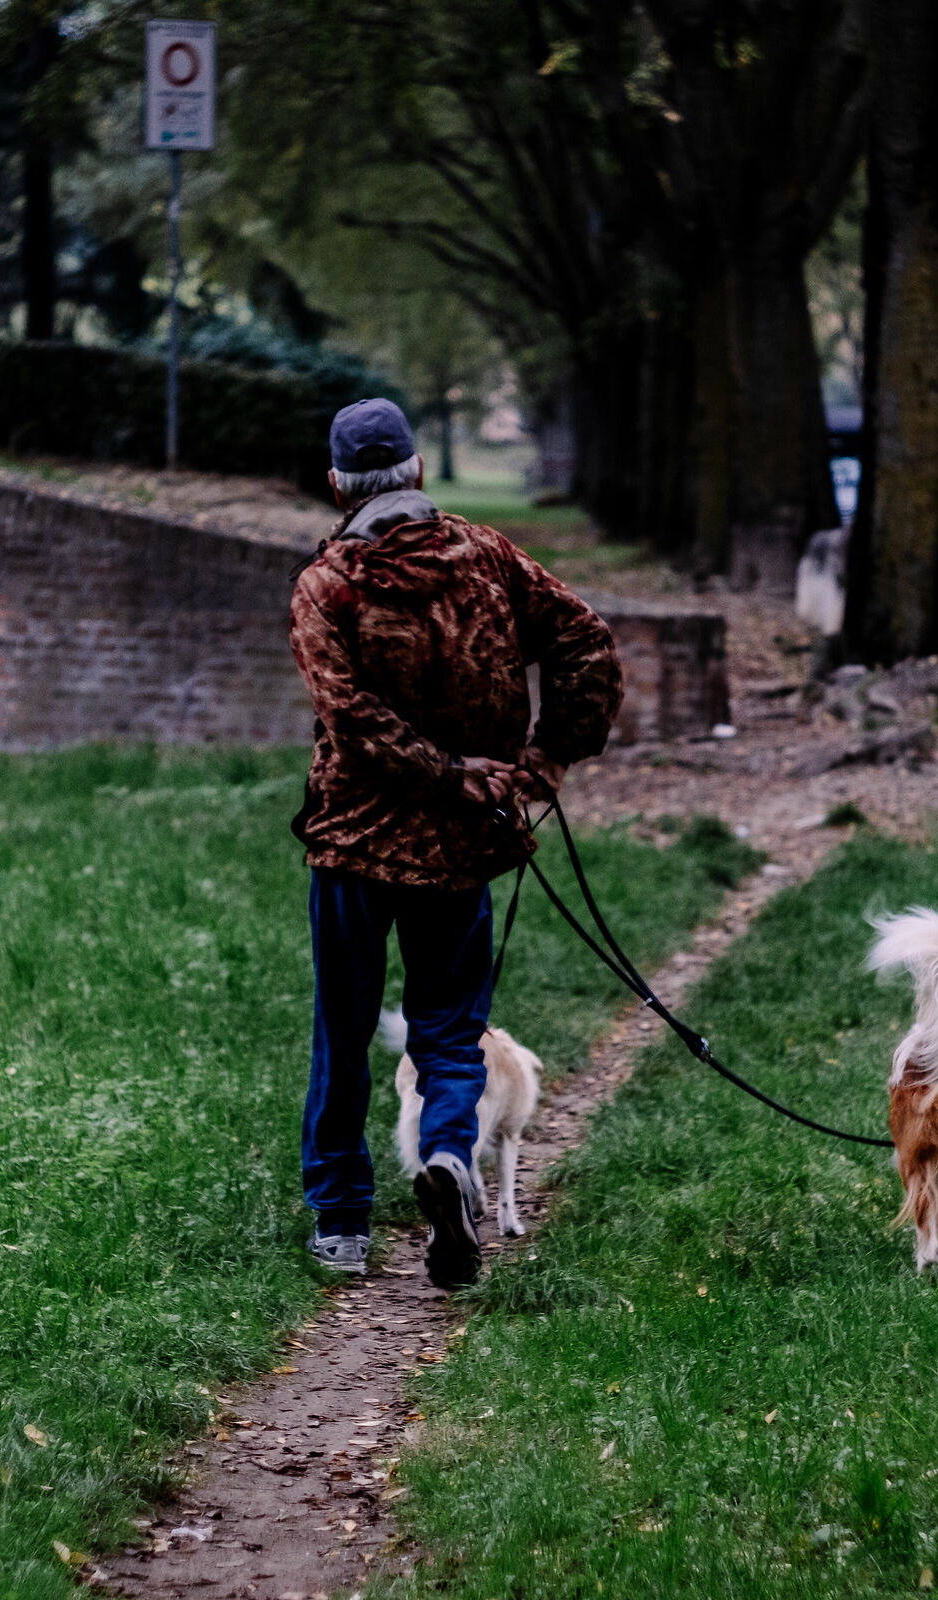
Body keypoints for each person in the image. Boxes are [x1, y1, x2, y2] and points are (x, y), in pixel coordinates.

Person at [289, 397, 621, 1289]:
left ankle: (341, 1224)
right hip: (458, 848)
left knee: (343, 1031)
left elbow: (349, 716)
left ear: (337, 485)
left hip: (354, 844)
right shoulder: (487, 557)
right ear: (421, 472)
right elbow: (587, 640)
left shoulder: (328, 585)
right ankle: (447, 1154)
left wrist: (451, 772)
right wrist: (544, 759)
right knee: (449, 1030)